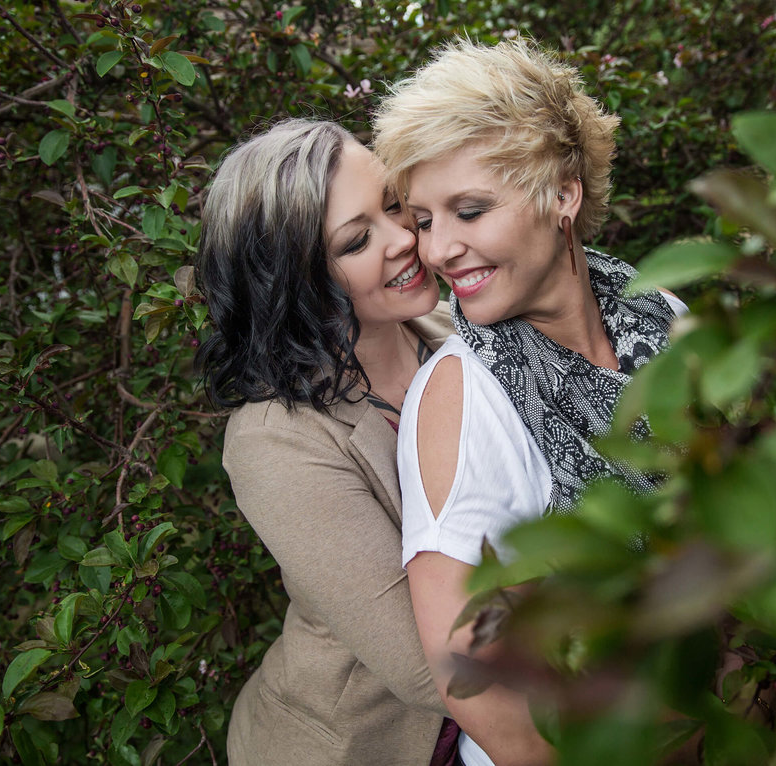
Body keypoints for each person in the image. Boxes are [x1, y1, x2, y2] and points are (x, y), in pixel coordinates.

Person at [374, 39, 688, 766]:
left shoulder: (659, 310)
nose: (440, 249)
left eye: (469, 210)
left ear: (563, 194)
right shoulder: (461, 396)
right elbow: (468, 674)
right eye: (423, 220)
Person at [194, 118, 460, 765]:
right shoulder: (274, 441)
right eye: (357, 239)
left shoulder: (453, 329)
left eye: (395, 206)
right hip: (368, 742)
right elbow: (430, 670)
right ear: (297, 278)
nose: (404, 240)